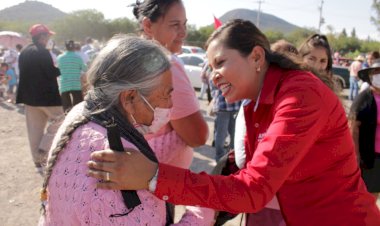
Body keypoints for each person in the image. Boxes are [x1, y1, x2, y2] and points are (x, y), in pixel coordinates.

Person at [87, 19, 380, 226]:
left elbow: (253, 190)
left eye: (220, 63)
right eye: (210, 66)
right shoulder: (256, 104)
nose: (213, 75)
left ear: (255, 56)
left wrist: (153, 176)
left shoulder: (301, 95)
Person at [39, 35, 177, 225]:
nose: (171, 103)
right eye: (167, 94)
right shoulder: (118, 159)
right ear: (129, 98)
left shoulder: (83, 112)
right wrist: (202, 213)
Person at [131, 0, 212, 224]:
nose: (183, 32)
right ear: (148, 26)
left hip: (128, 180)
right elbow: (197, 135)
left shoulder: (125, 58)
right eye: (175, 24)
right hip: (154, 185)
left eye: (185, 24)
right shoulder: (166, 64)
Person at [16, 24, 64, 175]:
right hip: (46, 97)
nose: (49, 38)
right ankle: (44, 149)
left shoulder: (24, 51)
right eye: (48, 36)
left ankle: (37, 161)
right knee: (61, 121)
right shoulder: (42, 52)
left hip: (29, 97)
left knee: (34, 130)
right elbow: (50, 72)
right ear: (42, 37)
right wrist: (59, 69)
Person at [349, 64, 380, 203]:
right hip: (369, 157)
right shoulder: (364, 98)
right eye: (376, 73)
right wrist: (355, 154)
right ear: (370, 77)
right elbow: (353, 126)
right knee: (368, 194)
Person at [57, 40, 87, 112]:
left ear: (65, 47)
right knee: (78, 108)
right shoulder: (78, 57)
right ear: (74, 47)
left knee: (67, 109)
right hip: (76, 84)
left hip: (64, 84)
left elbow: (58, 68)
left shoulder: (60, 57)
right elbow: (85, 68)